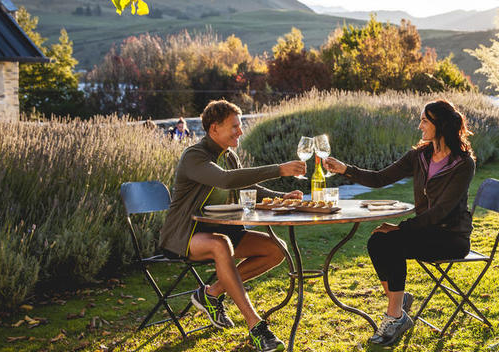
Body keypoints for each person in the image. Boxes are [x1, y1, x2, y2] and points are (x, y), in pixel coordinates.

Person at [323, 99, 476, 346]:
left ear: (440, 125)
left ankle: (394, 316)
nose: (420, 125)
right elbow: (380, 178)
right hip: (425, 231)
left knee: (390, 241)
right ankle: (399, 303)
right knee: (377, 240)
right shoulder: (420, 156)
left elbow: (442, 211)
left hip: (451, 237)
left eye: (425, 120)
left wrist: (401, 228)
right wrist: (345, 169)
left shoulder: (463, 164)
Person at [159, 100, 305, 351]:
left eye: (240, 125)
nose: (240, 131)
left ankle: (211, 293)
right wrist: (278, 169)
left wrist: (279, 198)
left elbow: (247, 188)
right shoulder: (194, 156)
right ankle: (256, 326)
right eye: (234, 126)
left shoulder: (229, 156)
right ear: (214, 129)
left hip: (224, 231)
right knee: (220, 245)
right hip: (186, 234)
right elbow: (226, 181)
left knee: (277, 249)